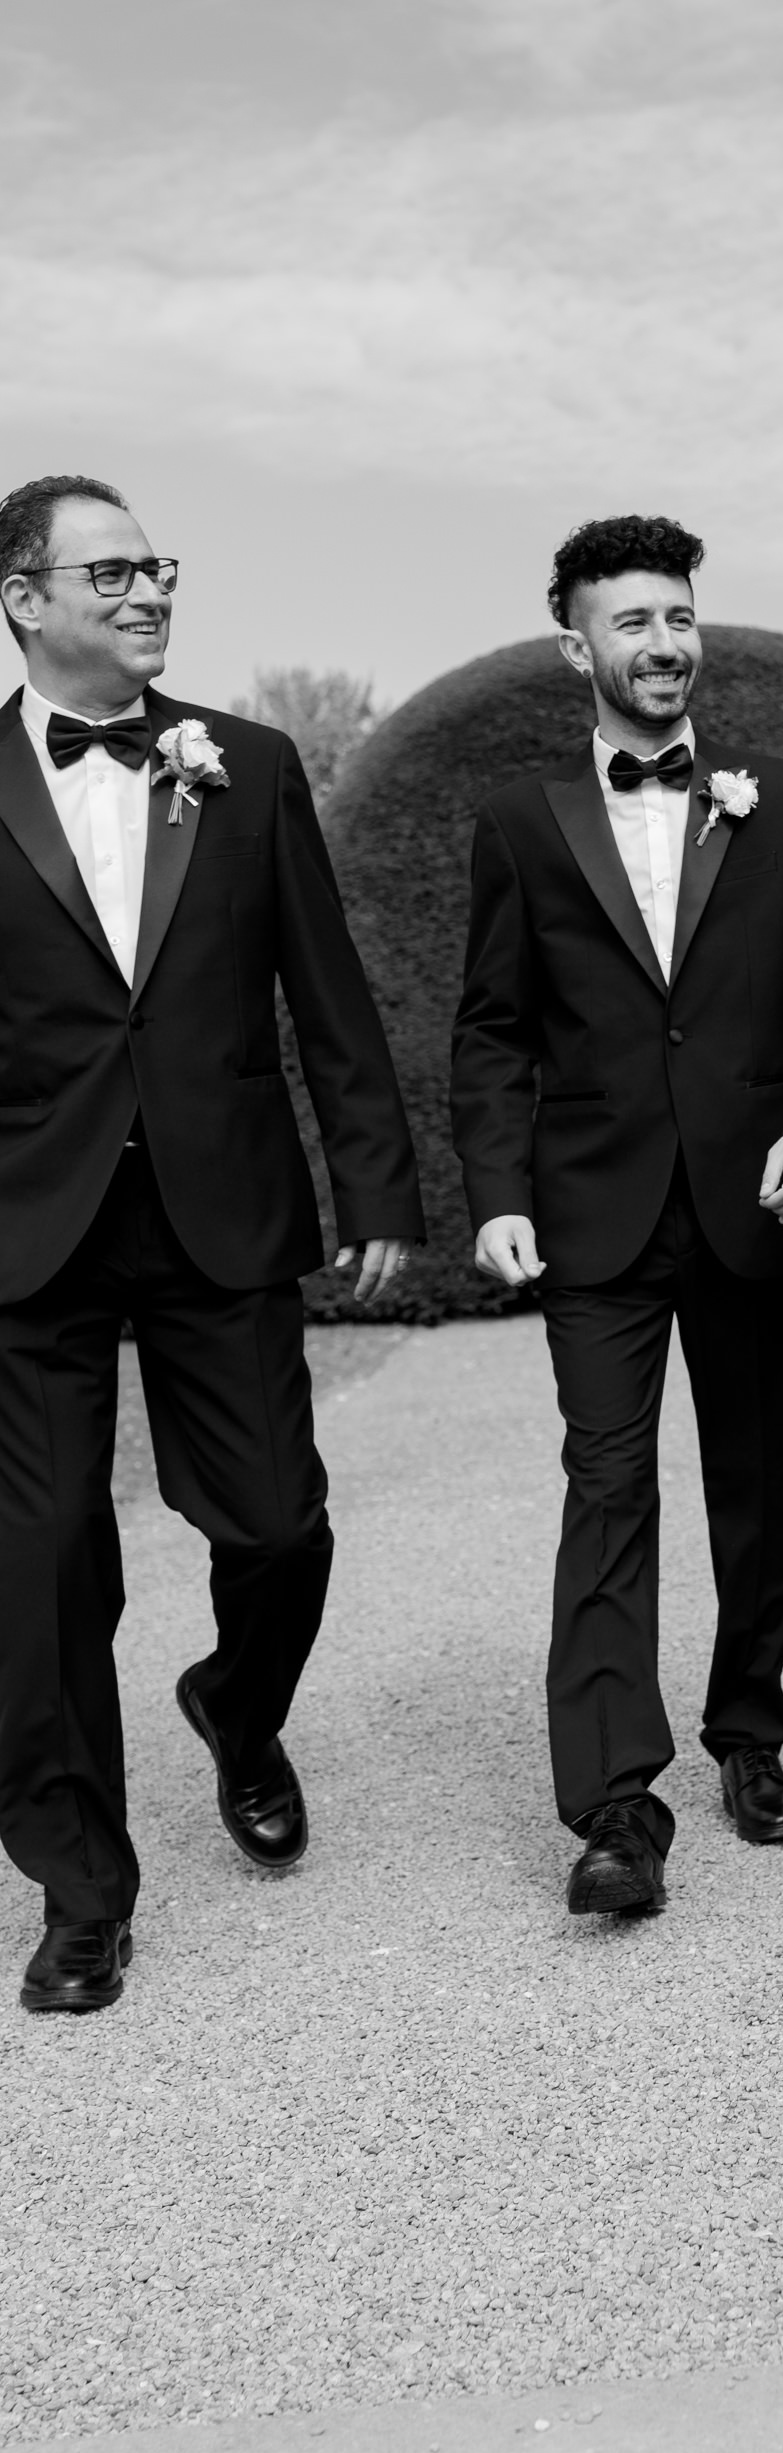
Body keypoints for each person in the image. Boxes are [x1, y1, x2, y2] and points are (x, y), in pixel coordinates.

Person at [0, 473, 422, 2016]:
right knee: (35, 1575)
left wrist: (376, 1185)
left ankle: (239, 1713)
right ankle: (81, 1888)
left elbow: (327, 986)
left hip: (220, 1211)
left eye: (157, 567)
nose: (147, 592)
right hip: (24, 1231)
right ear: (25, 598)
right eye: (108, 572)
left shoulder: (245, 766)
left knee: (275, 1524)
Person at [451, 515, 783, 1919]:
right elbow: (489, 1030)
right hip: (594, 1213)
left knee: (754, 1482)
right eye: (633, 620)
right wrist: (499, 1196)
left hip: (753, 1201)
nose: (664, 642)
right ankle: (615, 1805)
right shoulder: (521, 822)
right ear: (574, 643)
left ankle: (749, 1734)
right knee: (606, 1481)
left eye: (680, 615)